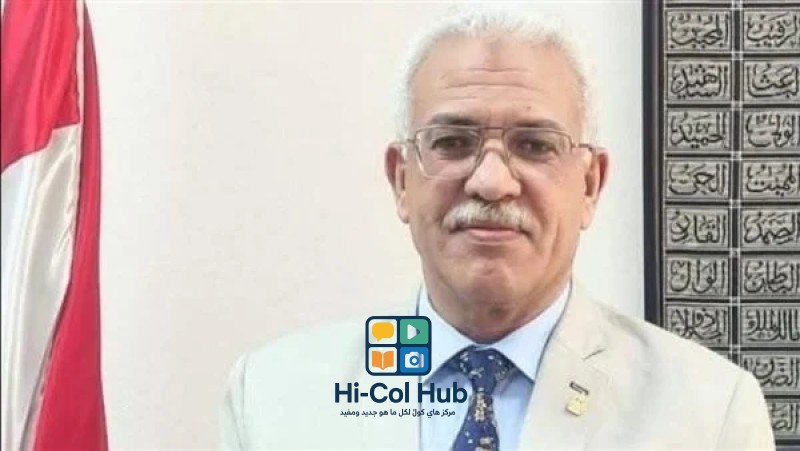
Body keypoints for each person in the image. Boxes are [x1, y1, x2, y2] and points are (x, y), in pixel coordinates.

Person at [220, 7, 774, 450]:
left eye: (534, 145)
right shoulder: (272, 398)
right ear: (401, 180)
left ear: (590, 185)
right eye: (452, 142)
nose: (490, 181)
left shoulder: (710, 413)